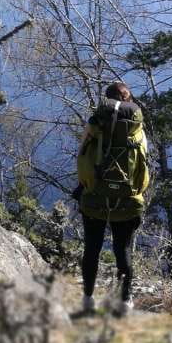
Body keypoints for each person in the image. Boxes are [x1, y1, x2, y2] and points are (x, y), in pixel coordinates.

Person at [74, 81, 150, 316]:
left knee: (92, 248)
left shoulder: (95, 124)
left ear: (105, 102)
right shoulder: (137, 130)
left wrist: (85, 185)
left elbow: (82, 154)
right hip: (127, 200)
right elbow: (144, 164)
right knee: (122, 249)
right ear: (128, 101)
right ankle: (125, 302)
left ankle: (87, 300)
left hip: (95, 197)